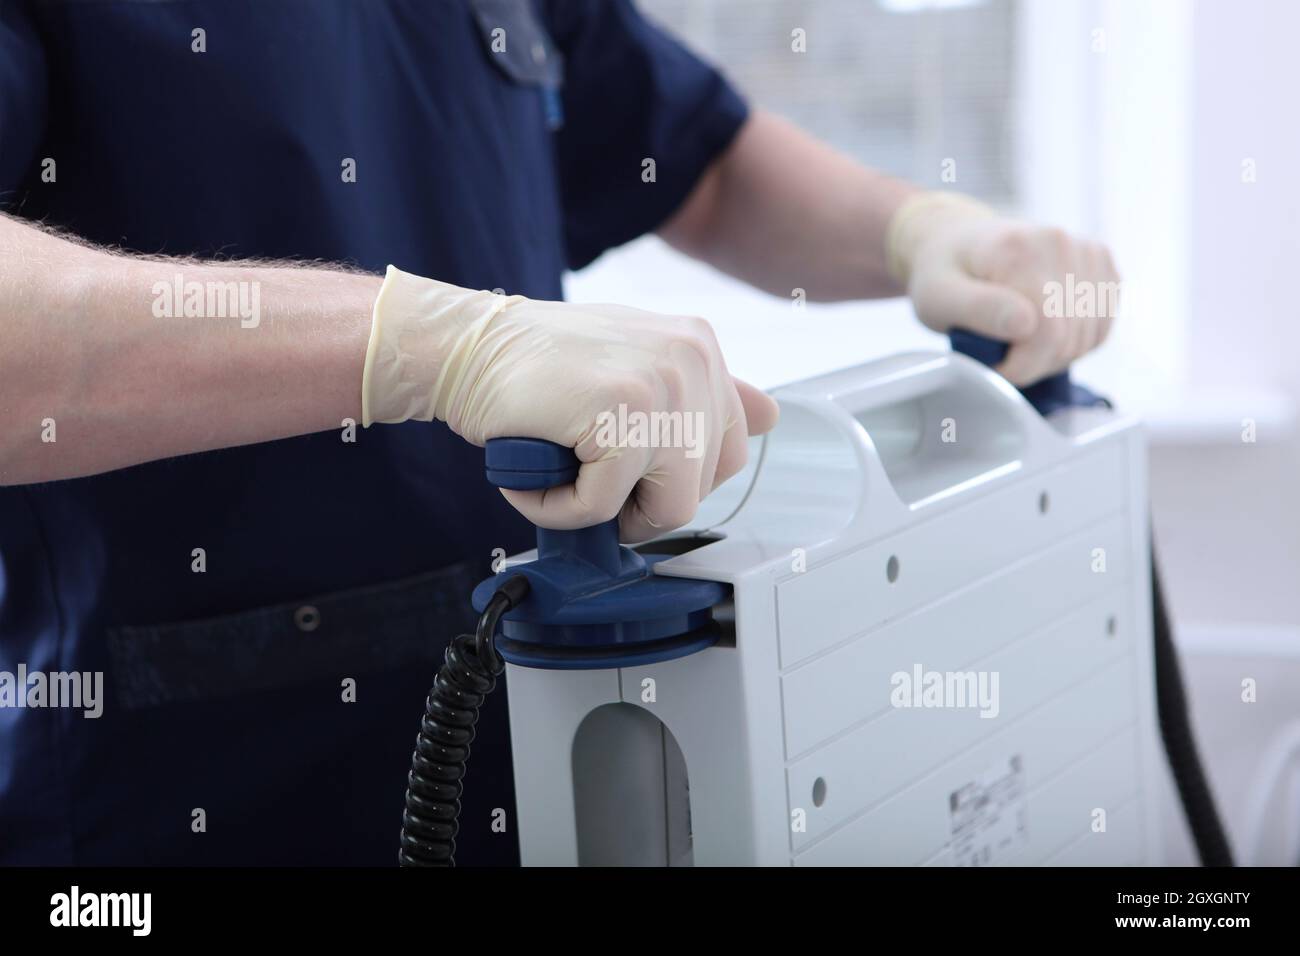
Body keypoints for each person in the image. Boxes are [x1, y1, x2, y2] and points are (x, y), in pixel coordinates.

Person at [0, 0, 1117, 865]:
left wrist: (919, 232)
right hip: (181, 793)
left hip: (536, 750)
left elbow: (699, 161)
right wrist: (426, 344)